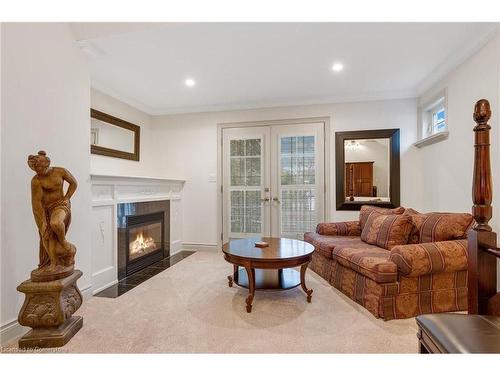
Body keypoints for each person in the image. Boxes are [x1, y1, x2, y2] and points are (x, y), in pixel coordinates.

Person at [28, 151, 77, 275]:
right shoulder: (36, 180)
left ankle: (64, 243)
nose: (37, 172)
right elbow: (36, 203)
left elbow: (73, 183)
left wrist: (67, 197)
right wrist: (42, 222)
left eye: (39, 168)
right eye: (35, 169)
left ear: (46, 165)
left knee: (55, 223)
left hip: (61, 205)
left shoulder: (60, 171)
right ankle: (54, 263)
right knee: (46, 235)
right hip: (46, 209)